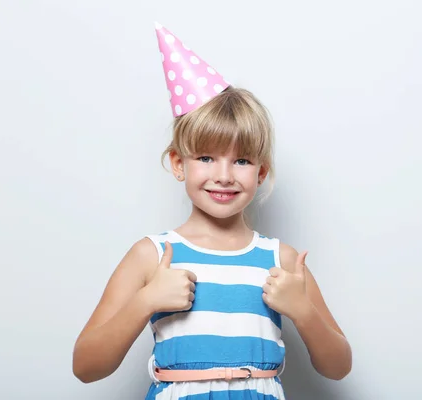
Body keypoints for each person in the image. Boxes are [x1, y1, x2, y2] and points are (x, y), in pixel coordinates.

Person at [72, 23, 352, 400]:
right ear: (177, 163)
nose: (223, 176)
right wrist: (146, 300)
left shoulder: (281, 260)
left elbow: (338, 368)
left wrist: (303, 311)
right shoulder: (150, 257)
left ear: (261, 172)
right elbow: (86, 367)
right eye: (206, 157)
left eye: (241, 160)